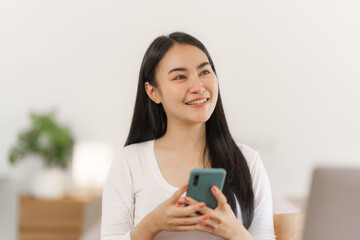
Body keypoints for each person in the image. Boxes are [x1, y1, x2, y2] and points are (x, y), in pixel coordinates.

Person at [101, 32, 275, 240]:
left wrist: (234, 232)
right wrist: (153, 223)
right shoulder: (129, 161)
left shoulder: (247, 160)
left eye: (204, 72)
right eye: (180, 77)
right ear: (153, 92)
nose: (198, 87)